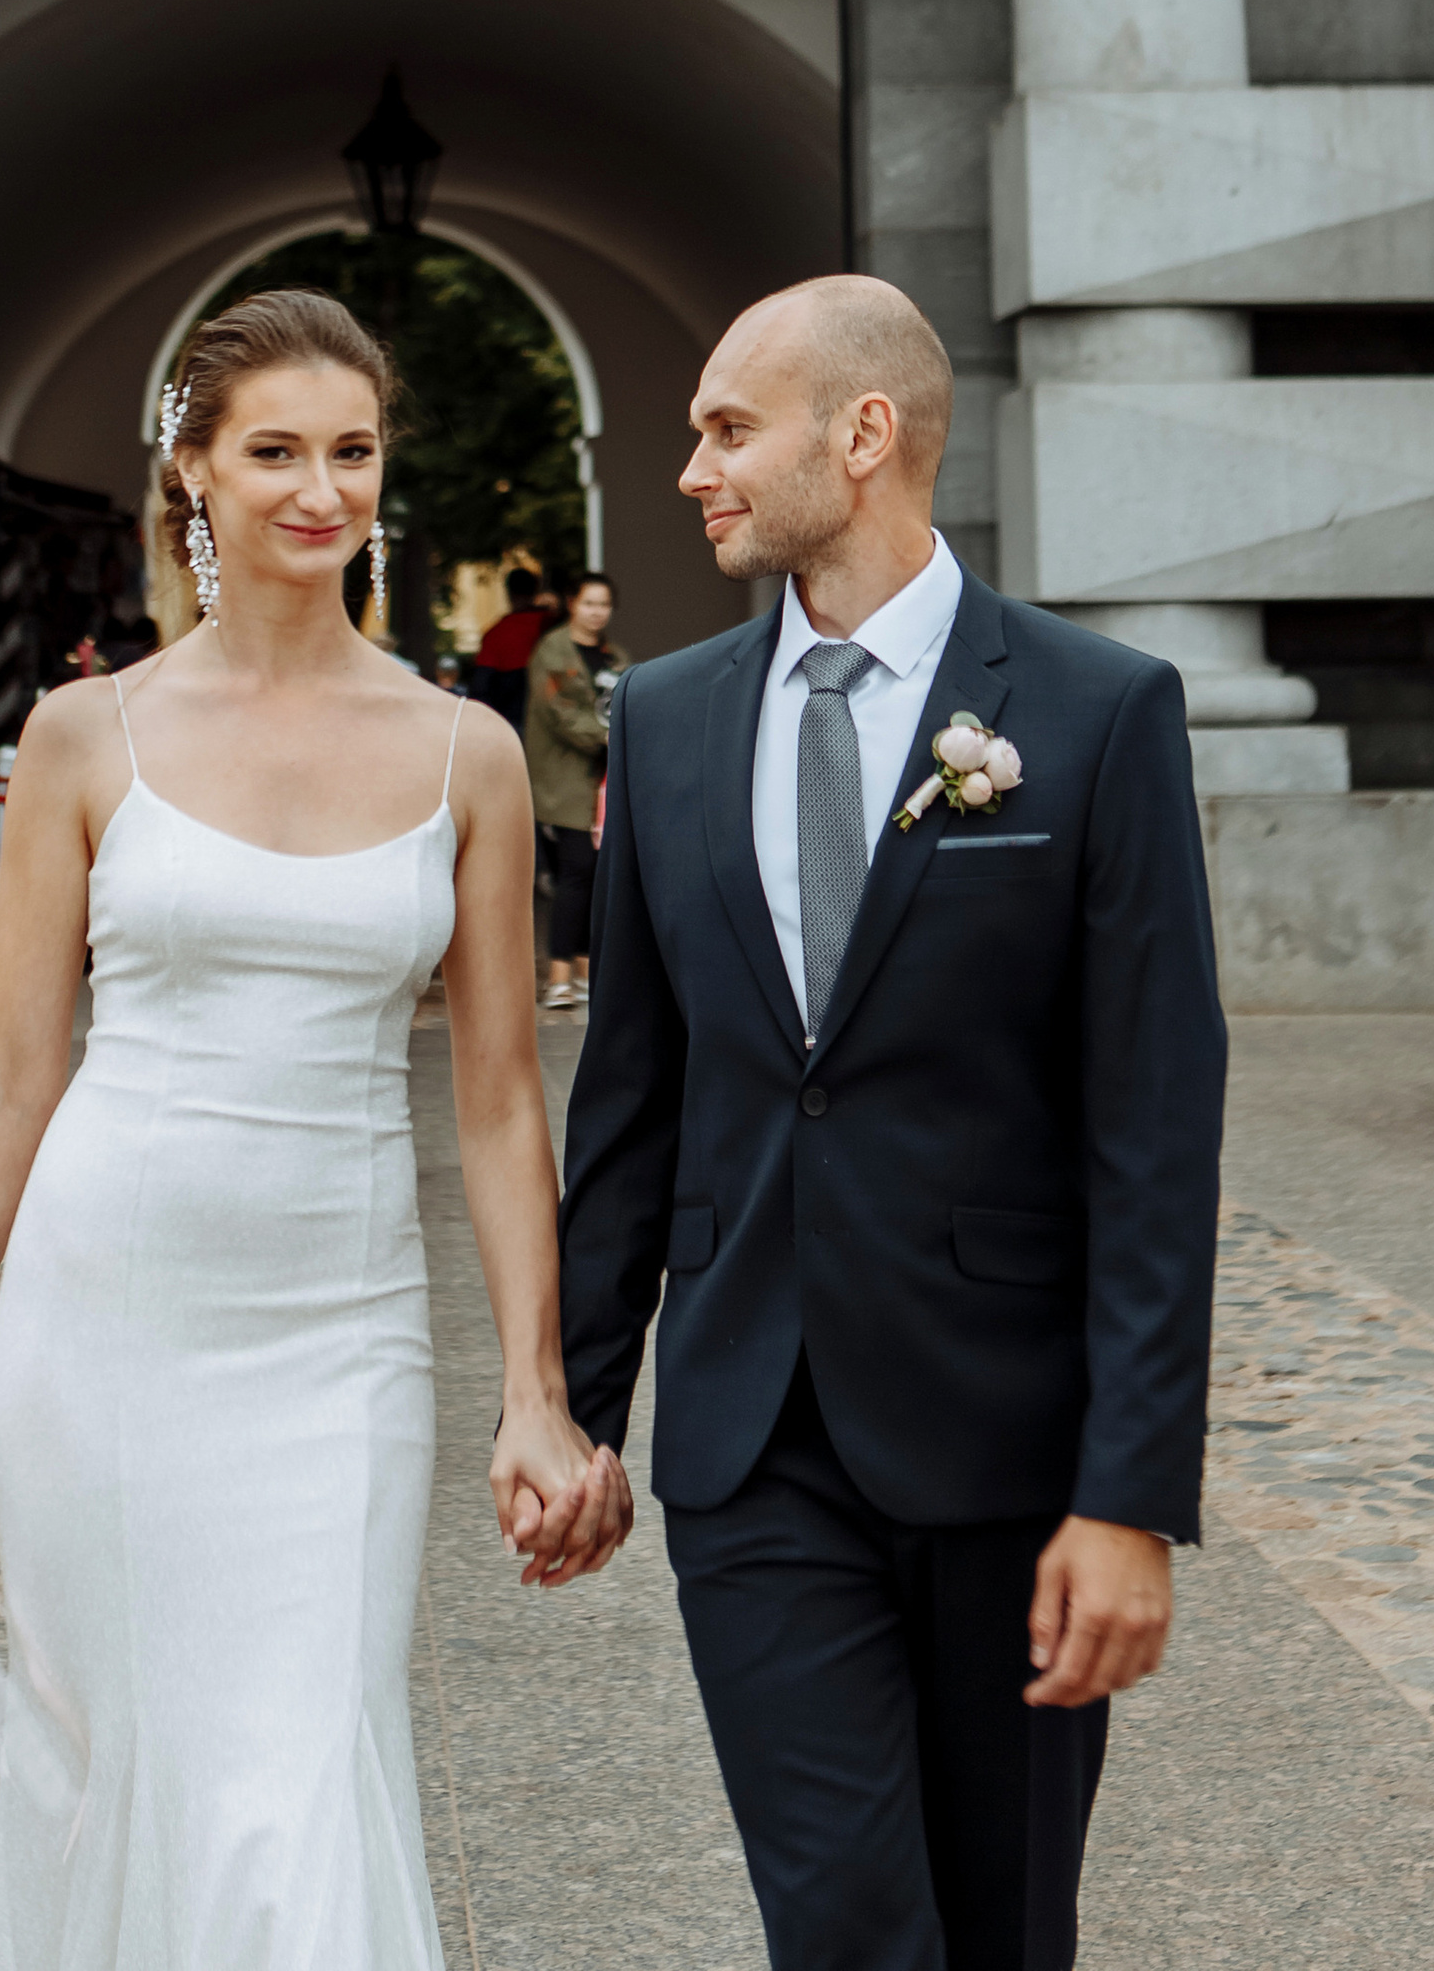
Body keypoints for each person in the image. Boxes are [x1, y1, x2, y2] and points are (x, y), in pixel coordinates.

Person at [0, 289, 632, 1970]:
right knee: (122, 1782)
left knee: (301, 1778)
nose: (319, 489)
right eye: (274, 451)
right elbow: (12, 1078)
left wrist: (536, 1396)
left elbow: (492, 1102)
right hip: (102, 1323)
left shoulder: (465, 752)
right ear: (194, 470)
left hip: (340, 1339)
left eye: (352, 450)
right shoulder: (81, 735)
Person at [557, 275, 1225, 1971]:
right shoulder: (668, 716)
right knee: (849, 1925)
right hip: (751, 1440)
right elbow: (633, 1095)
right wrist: (571, 1408)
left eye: (726, 428)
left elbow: (1153, 1131)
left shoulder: (1096, 712)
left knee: (1003, 1927)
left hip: (1013, 1448)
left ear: (861, 438)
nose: (694, 469)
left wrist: (1130, 1495)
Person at [523, 571, 622, 1011]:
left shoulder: (614, 655)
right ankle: (558, 977)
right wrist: (609, 735)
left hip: (603, 786)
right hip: (565, 782)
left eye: (603, 604)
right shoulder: (553, 651)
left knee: (597, 876)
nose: (596, 612)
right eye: (588, 603)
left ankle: (584, 971)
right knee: (576, 872)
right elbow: (562, 715)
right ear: (571, 604)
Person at [465, 566, 549, 735]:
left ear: (508, 593)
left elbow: (481, 687)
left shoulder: (495, 633)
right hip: (546, 716)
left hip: (510, 718)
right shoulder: (552, 625)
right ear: (535, 591)